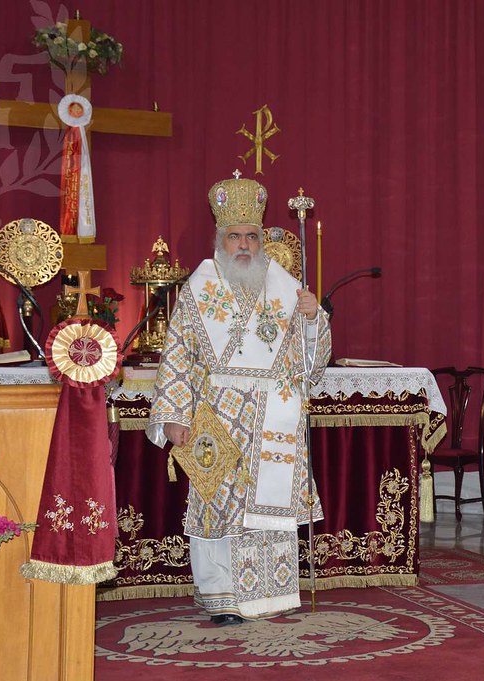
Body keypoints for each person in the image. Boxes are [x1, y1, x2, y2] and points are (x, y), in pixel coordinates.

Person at [147, 174, 331, 624]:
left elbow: (309, 365)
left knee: (263, 512)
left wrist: (313, 320)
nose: (244, 245)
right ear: (221, 239)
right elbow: (178, 354)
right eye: (235, 237)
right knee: (217, 506)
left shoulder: (286, 288)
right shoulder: (199, 287)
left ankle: (267, 595)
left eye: (251, 236)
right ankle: (221, 597)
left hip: (272, 416)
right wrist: (173, 416)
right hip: (216, 415)